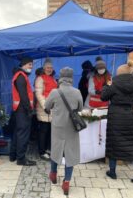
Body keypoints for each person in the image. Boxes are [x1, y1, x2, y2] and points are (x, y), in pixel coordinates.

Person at [101, 61, 133, 183]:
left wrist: (107, 85)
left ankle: (112, 171)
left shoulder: (114, 84)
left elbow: (103, 97)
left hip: (116, 116)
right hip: (129, 116)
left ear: (119, 73)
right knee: (131, 144)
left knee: (113, 142)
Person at [45, 67, 83, 195]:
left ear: (60, 78)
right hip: (71, 127)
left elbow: (46, 106)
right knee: (70, 153)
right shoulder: (77, 92)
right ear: (71, 78)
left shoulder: (54, 92)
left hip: (57, 127)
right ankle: (66, 182)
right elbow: (80, 107)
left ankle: (53, 173)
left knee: (56, 150)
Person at [9, 57, 36, 166]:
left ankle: (13, 155)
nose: (31, 67)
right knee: (23, 135)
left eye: (32, 64)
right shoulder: (21, 77)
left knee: (18, 133)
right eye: (30, 64)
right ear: (23, 65)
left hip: (19, 109)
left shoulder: (19, 75)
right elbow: (23, 96)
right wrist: (29, 110)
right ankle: (21, 159)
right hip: (23, 110)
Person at [35, 58, 57, 161]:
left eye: (51, 68)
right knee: (43, 131)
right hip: (44, 109)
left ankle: (47, 149)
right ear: (44, 68)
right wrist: (45, 106)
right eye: (48, 67)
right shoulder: (40, 79)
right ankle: (41, 152)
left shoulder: (53, 78)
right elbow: (39, 94)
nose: (49, 69)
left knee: (50, 131)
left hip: (52, 108)